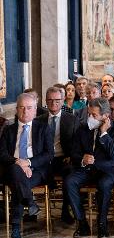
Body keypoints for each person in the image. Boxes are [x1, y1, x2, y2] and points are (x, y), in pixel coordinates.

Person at [65, 98, 114, 238]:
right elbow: (74, 153)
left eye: (94, 115)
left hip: (109, 170)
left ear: (105, 116)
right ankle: (82, 223)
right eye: (89, 114)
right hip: (87, 169)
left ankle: (102, 223)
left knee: (104, 184)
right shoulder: (83, 129)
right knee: (70, 181)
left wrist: (104, 133)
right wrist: (82, 159)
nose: (90, 118)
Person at [0, 93, 53, 238]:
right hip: (13, 168)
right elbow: (2, 154)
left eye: (29, 108)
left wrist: (28, 163)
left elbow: (49, 154)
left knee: (18, 183)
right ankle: (30, 203)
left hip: (36, 170)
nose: (25, 111)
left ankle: (16, 227)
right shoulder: (9, 130)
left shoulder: (43, 128)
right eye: (22, 108)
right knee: (18, 175)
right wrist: (18, 162)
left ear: (35, 110)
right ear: (17, 110)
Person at [39, 87, 79, 224]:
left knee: (70, 173)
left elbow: (77, 142)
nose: (53, 103)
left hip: (64, 158)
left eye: (57, 100)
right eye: (50, 100)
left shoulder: (72, 119)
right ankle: (34, 209)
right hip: (45, 159)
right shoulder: (39, 120)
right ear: (45, 101)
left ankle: (65, 209)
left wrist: (72, 156)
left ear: (62, 101)